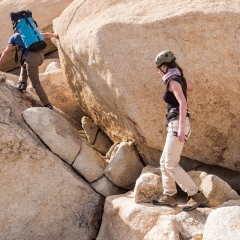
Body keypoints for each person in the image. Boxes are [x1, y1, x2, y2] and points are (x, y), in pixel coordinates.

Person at [152, 50, 209, 211]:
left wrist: (182, 128)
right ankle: (169, 195)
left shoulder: (172, 81)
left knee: (171, 163)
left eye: (158, 68)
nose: (158, 72)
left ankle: (196, 195)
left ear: (164, 66)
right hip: (175, 123)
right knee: (164, 162)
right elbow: (191, 88)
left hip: (178, 124)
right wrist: (181, 77)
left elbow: (183, 102)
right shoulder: (177, 78)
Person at [0, 31, 59, 110]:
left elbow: (6, 52)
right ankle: (22, 83)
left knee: (35, 83)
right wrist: (55, 35)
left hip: (32, 59)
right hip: (41, 56)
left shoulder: (14, 37)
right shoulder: (30, 32)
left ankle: (47, 104)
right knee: (24, 63)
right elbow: (46, 35)